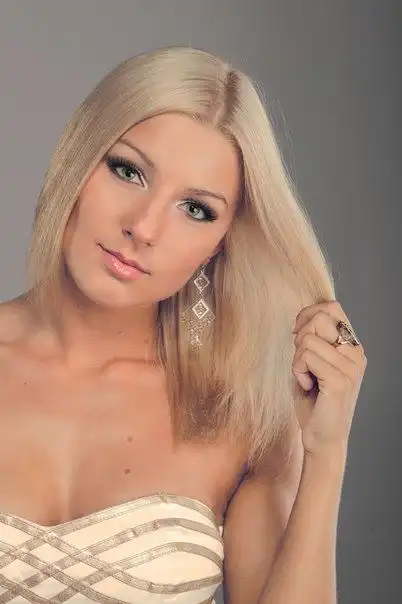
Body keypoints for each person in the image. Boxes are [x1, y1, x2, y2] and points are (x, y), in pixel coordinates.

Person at [0, 46, 366, 604]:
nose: (144, 228)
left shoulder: (238, 415)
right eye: (128, 171)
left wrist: (326, 454)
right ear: (78, 157)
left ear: (217, 246)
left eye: (195, 209)